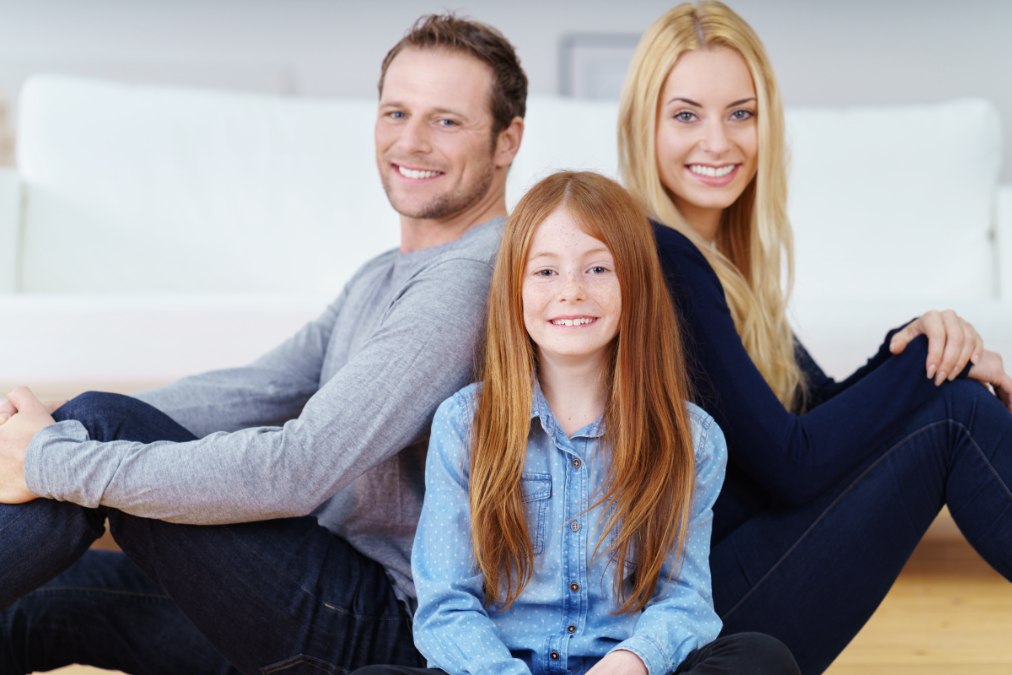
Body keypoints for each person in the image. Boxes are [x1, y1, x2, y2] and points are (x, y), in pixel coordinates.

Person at [0, 13, 526, 674]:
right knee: (33, 610)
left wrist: (50, 458)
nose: (411, 141)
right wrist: (48, 422)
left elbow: (300, 467)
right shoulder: (382, 274)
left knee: (97, 425)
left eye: (446, 121)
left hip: (387, 621)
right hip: (313, 589)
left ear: (508, 141)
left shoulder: (470, 281)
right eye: (396, 112)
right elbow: (253, 390)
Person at [617, 2, 1012, 673]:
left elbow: (811, 410)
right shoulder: (662, 258)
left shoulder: (721, 260)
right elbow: (793, 464)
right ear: (643, 126)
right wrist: (926, 361)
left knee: (950, 400)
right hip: (687, 618)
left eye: (740, 113)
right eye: (686, 114)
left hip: (734, 576)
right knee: (958, 416)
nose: (718, 141)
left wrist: (917, 339)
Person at [353, 171, 801, 675]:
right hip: (498, 671)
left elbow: (684, 603)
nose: (571, 291)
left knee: (763, 659)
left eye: (598, 269)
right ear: (513, 290)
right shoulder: (464, 426)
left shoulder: (691, 440)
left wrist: (628, 664)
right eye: (545, 272)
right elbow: (445, 608)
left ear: (635, 284)